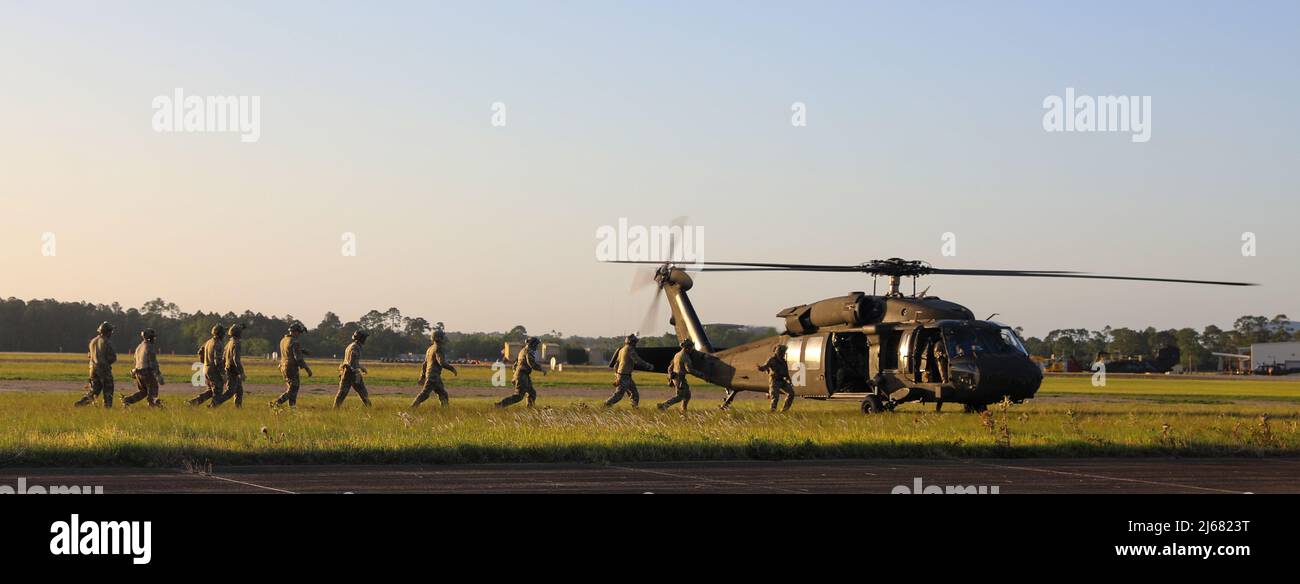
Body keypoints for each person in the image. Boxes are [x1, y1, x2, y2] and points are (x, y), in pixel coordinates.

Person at [75, 322, 117, 407]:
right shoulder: (107, 342)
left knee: (94, 390)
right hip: (103, 369)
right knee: (108, 389)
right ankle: (107, 407)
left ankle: (82, 403)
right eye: (111, 331)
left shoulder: (93, 341)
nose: (111, 333)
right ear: (107, 332)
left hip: (92, 369)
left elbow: (89, 355)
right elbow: (112, 357)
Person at [412, 329, 457, 408]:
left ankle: (445, 411)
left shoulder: (430, 349)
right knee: (425, 394)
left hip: (431, 375)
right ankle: (412, 407)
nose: (444, 339)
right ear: (438, 338)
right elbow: (441, 362)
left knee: (443, 394)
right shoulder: (438, 348)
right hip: (433, 376)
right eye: (442, 337)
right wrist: (452, 369)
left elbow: (424, 364)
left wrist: (422, 376)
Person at [272, 322, 313, 407]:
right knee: (293, 389)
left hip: (283, 366)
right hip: (291, 368)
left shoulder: (283, 340)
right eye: (299, 332)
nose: (299, 335)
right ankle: (276, 403)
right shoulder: (295, 341)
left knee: (291, 388)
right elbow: (298, 358)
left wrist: (301, 350)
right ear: (295, 332)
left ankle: (292, 407)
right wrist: (307, 369)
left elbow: (289, 350)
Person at [605, 334, 652, 408]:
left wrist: (617, 375)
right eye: (634, 342)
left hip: (624, 376)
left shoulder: (622, 349)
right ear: (631, 342)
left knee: (635, 394)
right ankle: (606, 404)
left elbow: (616, 364)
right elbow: (637, 360)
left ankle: (635, 408)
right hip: (624, 376)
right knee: (619, 395)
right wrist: (648, 366)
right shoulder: (630, 349)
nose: (635, 344)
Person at [497, 337, 545, 408]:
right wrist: (542, 369)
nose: (537, 347)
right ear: (533, 344)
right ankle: (500, 405)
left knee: (532, 393)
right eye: (537, 345)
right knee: (518, 396)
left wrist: (516, 375)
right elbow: (531, 363)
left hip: (523, 376)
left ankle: (530, 410)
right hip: (522, 376)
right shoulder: (528, 351)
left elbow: (515, 364)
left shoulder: (523, 350)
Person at [123, 328, 164, 407]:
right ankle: (152, 405)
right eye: (153, 337)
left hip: (137, 372)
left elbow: (135, 360)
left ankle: (127, 400)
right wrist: (158, 375)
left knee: (143, 391)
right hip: (146, 372)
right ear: (150, 338)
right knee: (153, 389)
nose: (154, 339)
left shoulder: (139, 347)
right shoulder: (149, 346)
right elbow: (153, 362)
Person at [188, 325, 226, 405]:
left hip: (206, 369)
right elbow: (218, 360)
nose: (224, 335)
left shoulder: (209, 342)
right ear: (220, 334)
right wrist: (223, 373)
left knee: (211, 391)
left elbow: (200, 352)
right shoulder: (218, 343)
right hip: (214, 370)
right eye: (223, 333)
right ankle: (213, 407)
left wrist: (204, 363)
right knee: (218, 390)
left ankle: (194, 402)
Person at [334, 330, 372, 408]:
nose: (365, 340)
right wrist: (357, 373)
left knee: (341, 395)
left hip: (345, 372)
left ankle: (335, 410)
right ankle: (370, 409)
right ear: (360, 338)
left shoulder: (350, 346)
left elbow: (350, 362)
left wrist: (361, 367)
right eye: (364, 338)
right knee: (364, 394)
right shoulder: (356, 347)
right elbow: (352, 363)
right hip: (351, 374)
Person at [657, 339, 698, 411]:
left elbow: (670, 367)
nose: (692, 349)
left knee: (687, 395)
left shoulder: (677, 355)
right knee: (680, 397)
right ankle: (663, 405)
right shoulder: (685, 356)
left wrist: (670, 378)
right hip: (680, 379)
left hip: (676, 378)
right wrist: (701, 374)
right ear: (687, 347)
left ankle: (683, 410)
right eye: (691, 347)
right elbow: (689, 370)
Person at [212, 324, 245, 407]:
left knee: (239, 391)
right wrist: (241, 372)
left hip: (230, 369)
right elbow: (236, 359)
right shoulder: (236, 343)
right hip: (233, 370)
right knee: (230, 391)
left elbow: (223, 358)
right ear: (238, 333)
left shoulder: (229, 343)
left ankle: (238, 408)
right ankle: (215, 404)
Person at [758, 344, 796, 412]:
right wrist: (761, 368)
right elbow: (765, 367)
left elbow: (786, 373)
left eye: (784, 353)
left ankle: (784, 410)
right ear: (778, 352)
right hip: (774, 381)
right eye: (782, 352)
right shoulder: (772, 360)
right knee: (775, 397)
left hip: (782, 380)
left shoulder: (784, 362)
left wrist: (789, 381)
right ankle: (773, 411)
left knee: (791, 393)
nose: (783, 354)